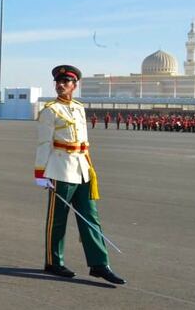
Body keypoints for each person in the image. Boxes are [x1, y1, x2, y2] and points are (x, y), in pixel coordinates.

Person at [34, 65, 126, 285]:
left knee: (91, 217)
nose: (60, 85)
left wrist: (89, 167)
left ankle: (99, 264)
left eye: (65, 82)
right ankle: (53, 262)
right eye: (58, 82)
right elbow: (44, 143)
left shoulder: (78, 108)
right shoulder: (50, 110)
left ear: (74, 85)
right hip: (60, 169)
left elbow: (83, 142)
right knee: (57, 220)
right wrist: (40, 173)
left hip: (82, 169)